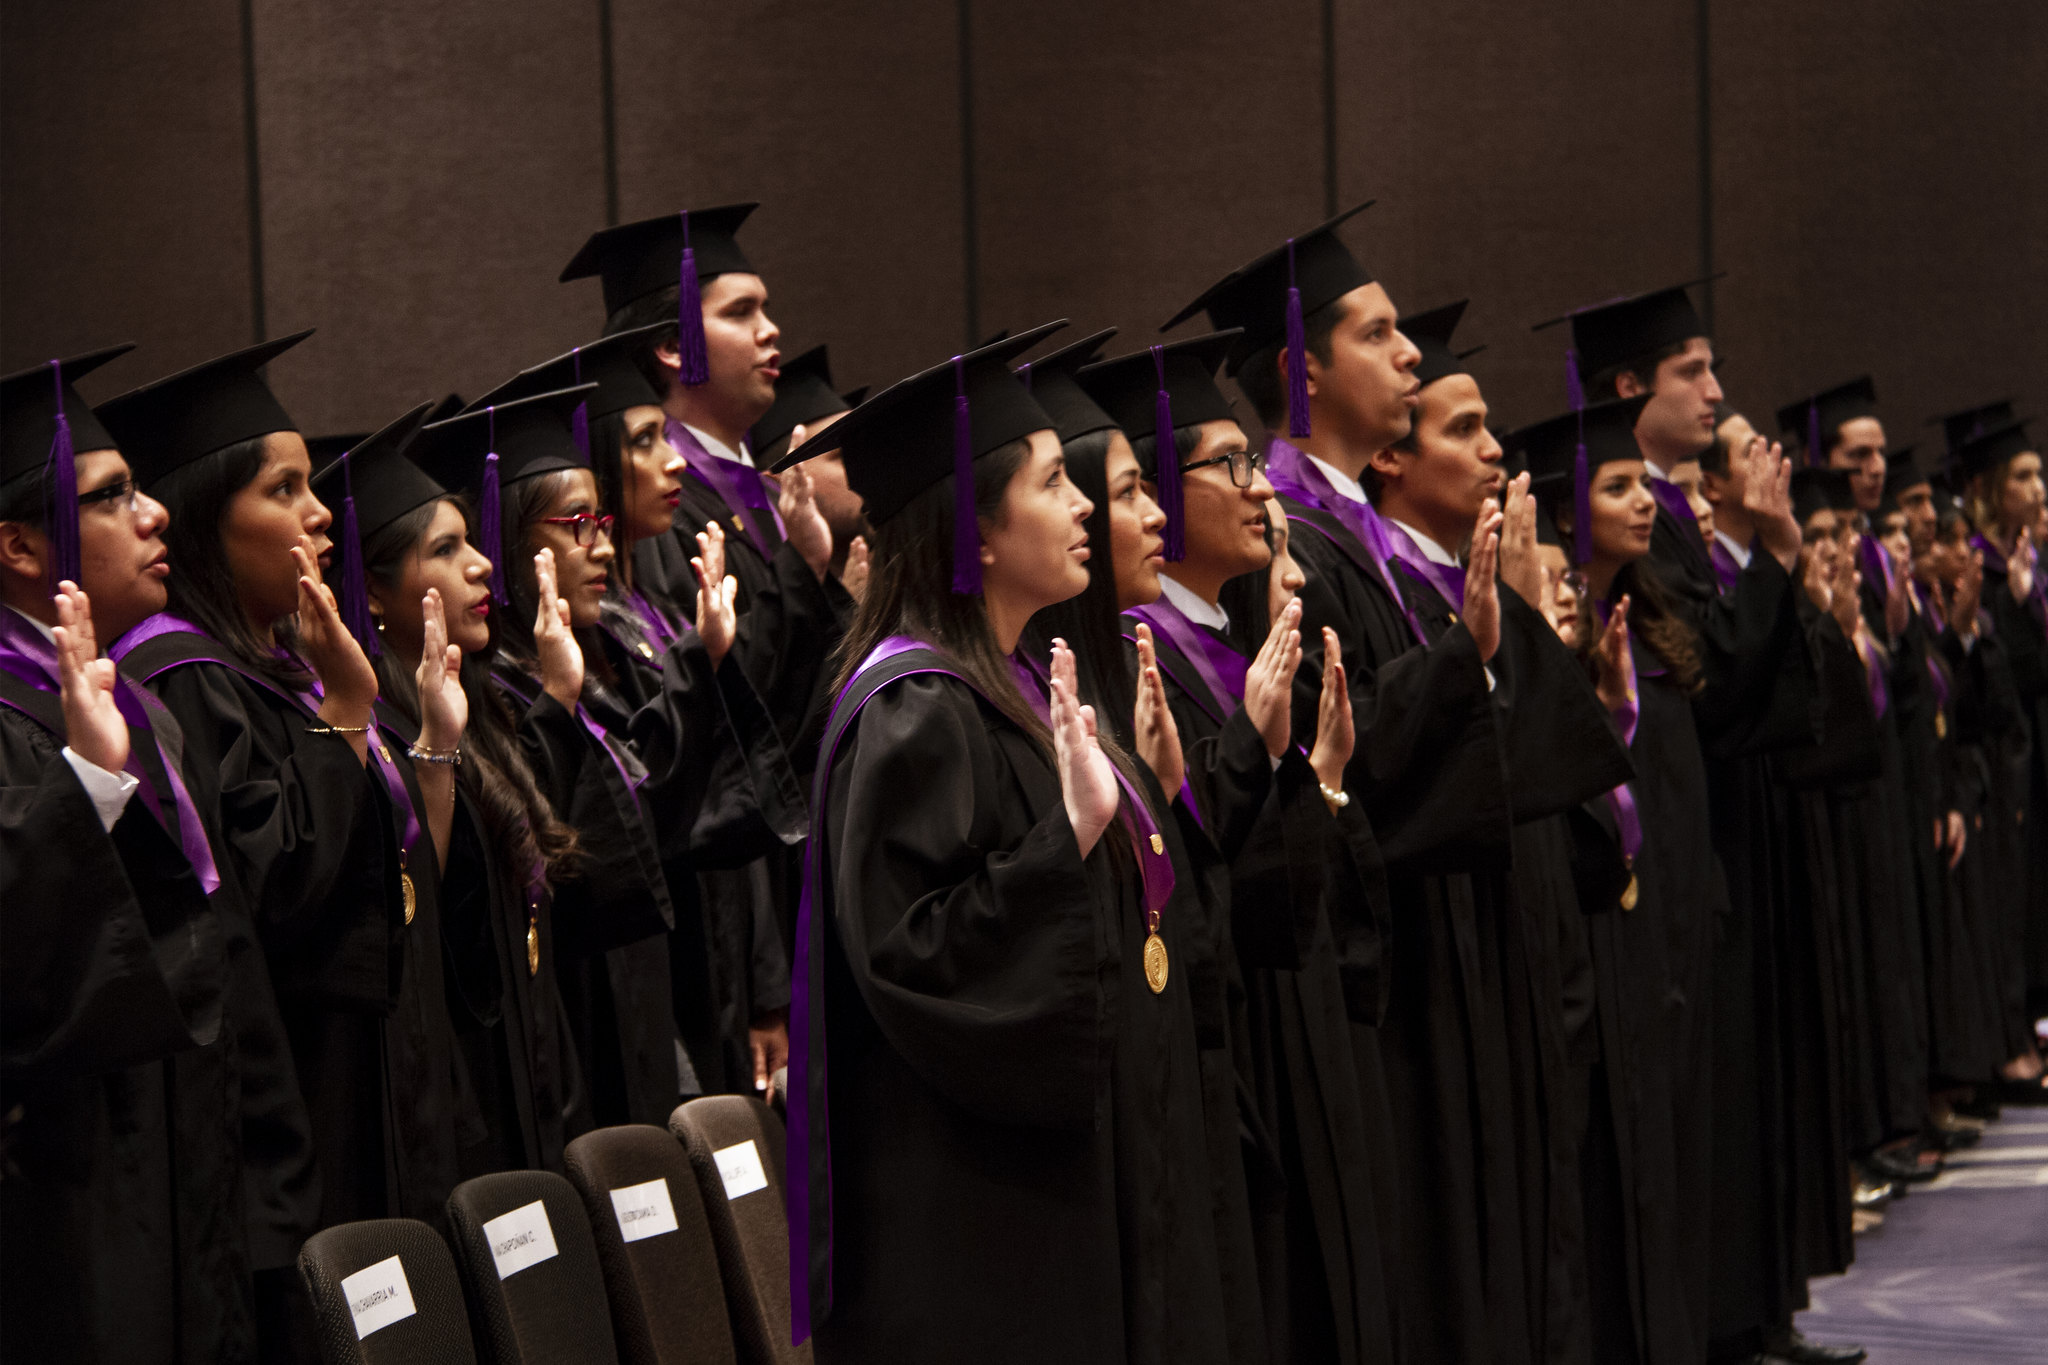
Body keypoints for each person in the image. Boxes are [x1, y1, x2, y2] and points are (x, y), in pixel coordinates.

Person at [777, 324, 1236, 1361]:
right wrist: (1066, 838)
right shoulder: (916, 707)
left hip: (1054, 1180)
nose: (1080, 503)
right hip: (974, 1221)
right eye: (1047, 485)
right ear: (972, 534)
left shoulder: (1018, 684)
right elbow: (914, 956)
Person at [1070, 327, 1393, 1365]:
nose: (1260, 489)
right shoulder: (1134, 662)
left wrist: (1323, 783)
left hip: (1290, 1010)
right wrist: (1268, 762)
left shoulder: (1227, 642)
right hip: (1232, 1026)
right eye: (1230, 465)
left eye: (1257, 462)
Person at [96, 332, 397, 1354]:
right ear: (209, 518)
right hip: (282, 1092)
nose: (319, 514)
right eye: (284, 488)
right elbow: (276, 893)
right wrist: (348, 718)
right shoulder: (180, 678)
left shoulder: (271, 674)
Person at [463, 333, 805, 1101]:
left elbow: (673, 807)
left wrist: (705, 662)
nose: (598, 544)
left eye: (600, 524)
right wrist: (697, 667)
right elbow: (614, 832)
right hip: (579, 1026)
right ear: (509, 543)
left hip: (659, 993)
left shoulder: (615, 638)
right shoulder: (503, 700)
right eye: (576, 525)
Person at [1, 349, 251, 1362]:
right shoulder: (23, 720)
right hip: (63, 1199)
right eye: (113, 498)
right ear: (20, 545)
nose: (155, 517)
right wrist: (89, 786)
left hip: (181, 1175)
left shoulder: (131, 704)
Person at [560, 204, 848, 750]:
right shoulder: (655, 513)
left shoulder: (766, 490)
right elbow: (711, 705)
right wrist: (804, 566)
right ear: (673, 347)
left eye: (766, 309)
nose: (771, 330)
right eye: (741, 312)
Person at [1953, 418, 2047, 1098]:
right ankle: (2013, 1037)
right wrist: (2014, 603)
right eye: (2022, 475)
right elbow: (2000, 676)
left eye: (2039, 475)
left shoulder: (2031, 559)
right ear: (1986, 489)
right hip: (1999, 756)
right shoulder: (1978, 568)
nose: (2038, 488)